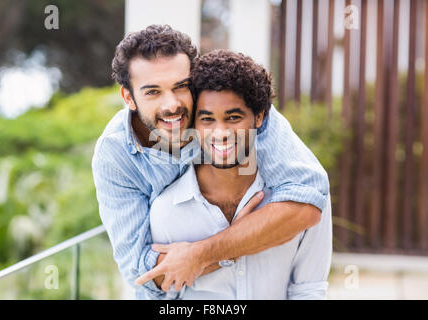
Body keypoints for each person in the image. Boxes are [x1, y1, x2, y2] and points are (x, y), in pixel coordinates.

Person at [92, 25, 329, 300]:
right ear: (128, 97)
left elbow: (308, 201)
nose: (172, 106)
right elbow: (142, 275)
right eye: (153, 92)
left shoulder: (235, 109)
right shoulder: (115, 156)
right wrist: (236, 240)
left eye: (180, 87)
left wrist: (203, 253)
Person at [149, 50, 332, 299]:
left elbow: (309, 290)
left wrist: (206, 255)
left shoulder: (298, 200)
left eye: (233, 117)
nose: (221, 132)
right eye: (207, 119)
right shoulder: (167, 211)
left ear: (259, 117)